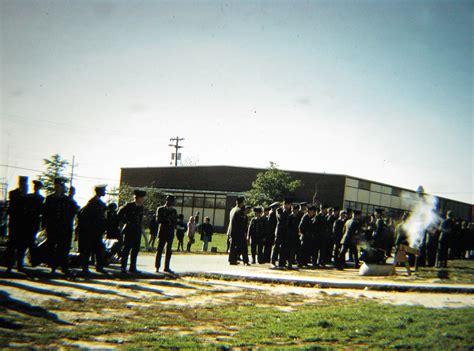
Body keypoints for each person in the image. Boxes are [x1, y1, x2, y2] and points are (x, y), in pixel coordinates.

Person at [42, 177, 74, 275]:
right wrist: (44, 226)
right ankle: (52, 267)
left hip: (64, 228)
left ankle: (64, 267)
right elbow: (45, 213)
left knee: (63, 248)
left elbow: (71, 214)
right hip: (52, 227)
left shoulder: (67, 200)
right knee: (51, 247)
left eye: (61, 186)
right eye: (58, 186)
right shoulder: (50, 199)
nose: (60, 188)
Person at [77, 185, 107, 274]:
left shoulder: (99, 203)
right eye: (103, 190)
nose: (105, 192)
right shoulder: (93, 203)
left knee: (99, 249)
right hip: (91, 231)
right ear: (99, 191)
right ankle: (86, 268)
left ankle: (98, 267)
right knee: (88, 249)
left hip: (97, 231)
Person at [119, 189, 146, 273]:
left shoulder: (141, 207)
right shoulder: (129, 205)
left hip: (137, 230)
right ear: (138, 198)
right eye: (142, 198)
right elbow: (119, 214)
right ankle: (123, 267)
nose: (143, 200)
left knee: (135, 249)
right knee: (126, 249)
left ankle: (133, 267)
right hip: (129, 230)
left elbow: (140, 220)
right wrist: (126, 221)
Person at [5, 176, 29, 272]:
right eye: (22, 183)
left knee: (21, 246)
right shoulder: (14, 194)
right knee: (12, 246)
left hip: (23, 225)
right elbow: (13, 207)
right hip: (15, 223)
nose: (23, 185)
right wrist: (23, 194)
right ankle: (9, 265)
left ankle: (20, 264)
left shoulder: (27, 197)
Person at [155, 195, 178, 273]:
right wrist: (168, 220)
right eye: (170, 201)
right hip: (162, 231)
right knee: (159, 250)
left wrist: (169, 220)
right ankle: (157, 267)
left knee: (169, 250)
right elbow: (158, 220)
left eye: (172, 201)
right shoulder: (160, 209)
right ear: (166, 201)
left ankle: (166, 267)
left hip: (170, 232)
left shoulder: (174, 211)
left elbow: (175, 221)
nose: (171, 203)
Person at [228, 196, 249, 265]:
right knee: (244, 246)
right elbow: (241, 223)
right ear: (242, 203)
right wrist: (244, 232)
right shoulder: (239, 211)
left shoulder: (233, 210)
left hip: (232, 231)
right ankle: (245, 261)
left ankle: (232, 260)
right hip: (238, 232)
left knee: (233, 246)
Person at [271, 199, 291, 268]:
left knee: (284, 247)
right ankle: (273, 261)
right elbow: (281, 218)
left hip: (286, 231)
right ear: (285, 204)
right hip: (279, 231)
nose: (289, 206)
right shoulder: (279, 210)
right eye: (288, 205)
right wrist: (285, 213)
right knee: (276, 246)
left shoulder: (289, 211)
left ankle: (282, 262)